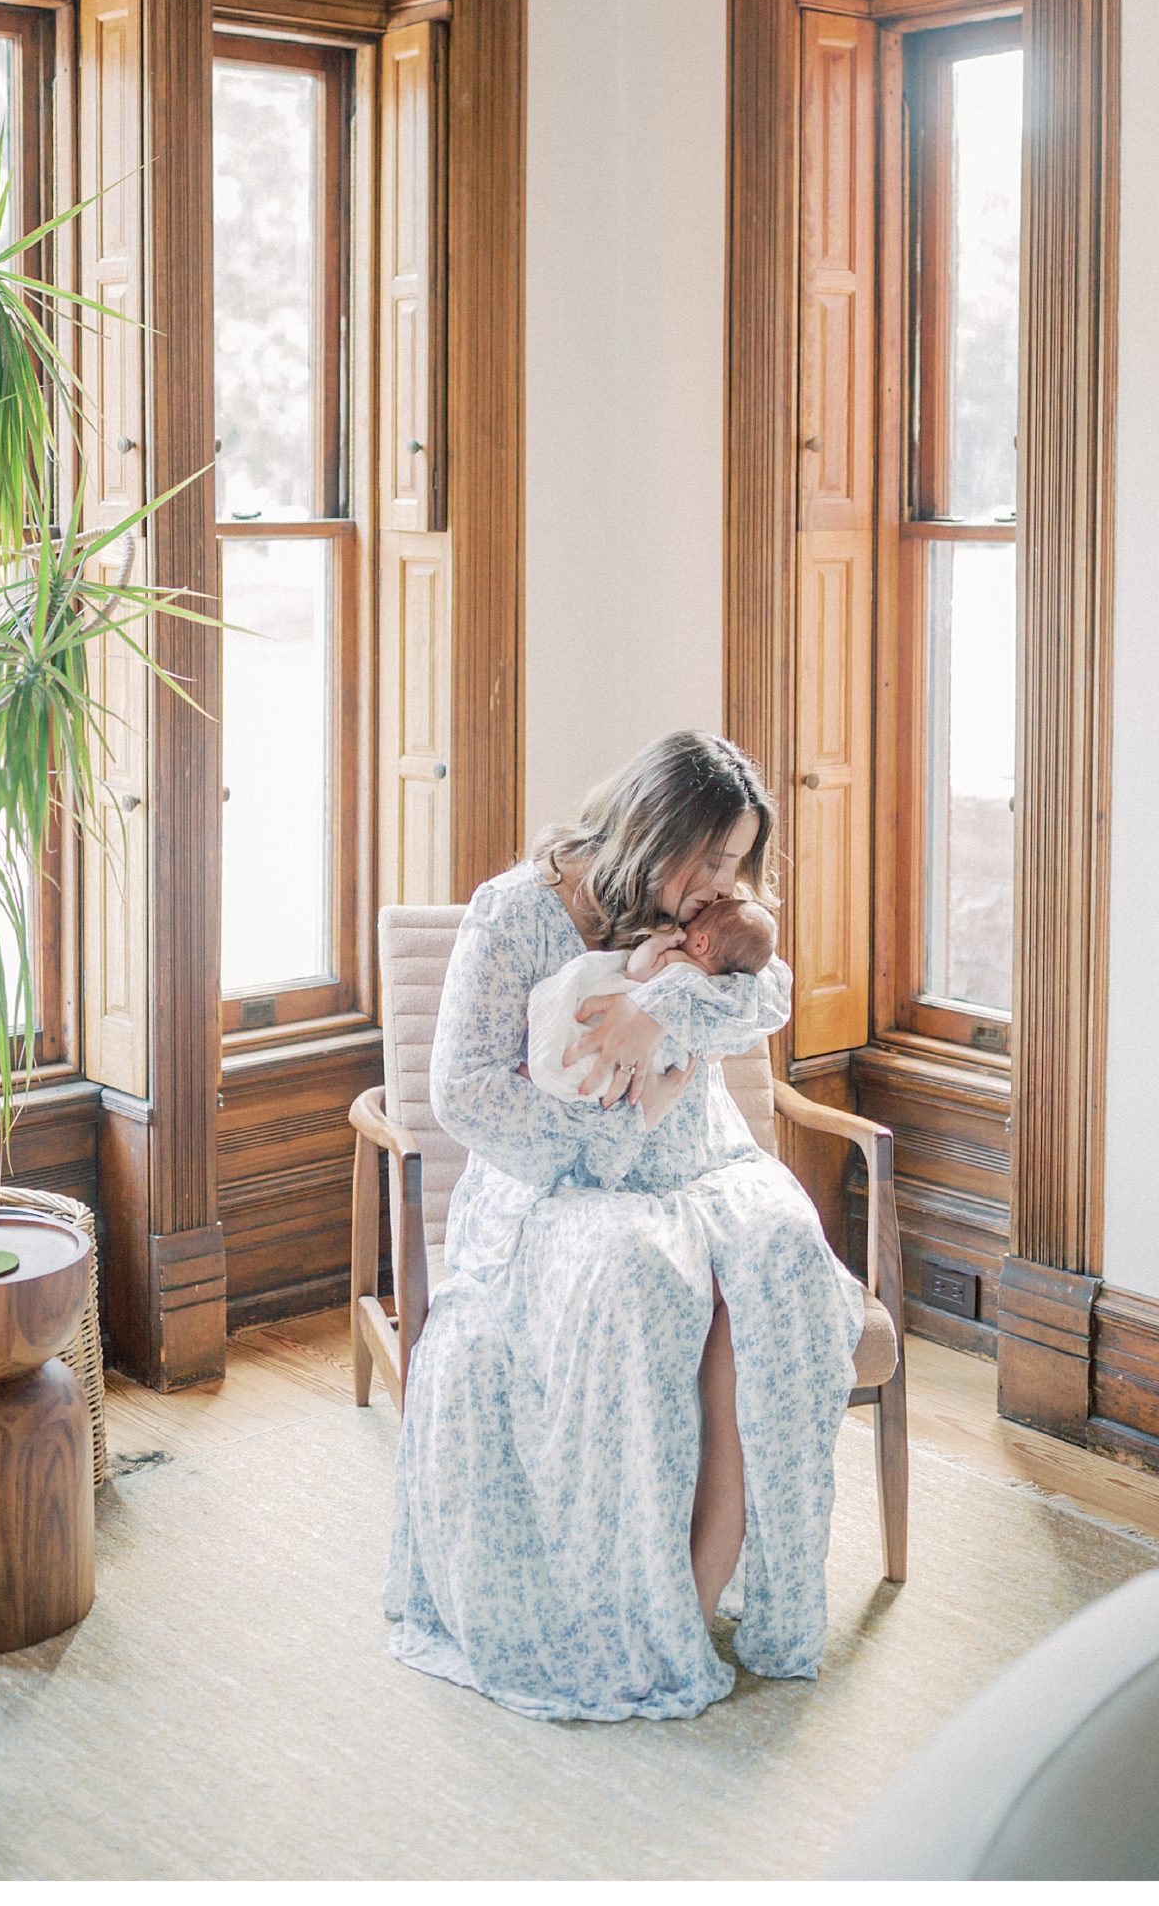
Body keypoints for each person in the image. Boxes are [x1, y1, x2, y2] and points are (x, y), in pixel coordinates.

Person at [384, 728, 869, 1723]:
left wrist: (666, 1016)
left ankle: (689, 1599)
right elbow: (465, 1094)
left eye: (737, 863)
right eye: (711, 860)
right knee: (638, 1274)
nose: (721, 885)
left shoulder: (710, 916)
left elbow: (764, 988)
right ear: (655, 834)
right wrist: (603, 1140)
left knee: (779, 1256)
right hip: (555, 1188)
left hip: (702, 1164)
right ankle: (634, 1611)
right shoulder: (514, 911)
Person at [526, 895, 779, 1102]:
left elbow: (637, 971)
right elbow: (713, 1053)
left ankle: (547, 1068)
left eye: (689, 928)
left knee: (580, 1039)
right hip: (662, 1064)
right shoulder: (717, 994)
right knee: (603, 1074)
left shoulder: (678, 963)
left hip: (633, 1034)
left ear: (700, 943)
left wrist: (659, 942)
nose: (682, 930)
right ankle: (559, 1079)